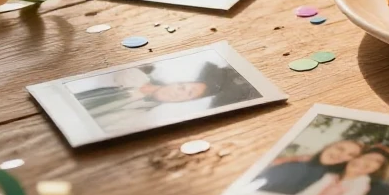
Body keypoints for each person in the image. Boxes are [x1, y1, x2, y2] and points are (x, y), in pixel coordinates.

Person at [72, 61, 254, 131]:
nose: (178, 92)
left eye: (188, 95)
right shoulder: (138, 76)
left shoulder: (146, 113)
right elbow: (121, 73)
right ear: (175, 82)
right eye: (182, 87)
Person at [253, 139, 364, 195]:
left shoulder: (327, 178)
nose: (342, 155)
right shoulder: (297, 167)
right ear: (328, 146)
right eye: (340, 148)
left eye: (351, 155)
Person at [302, 146, 389, 195]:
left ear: (377, 170)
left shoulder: (363, 187)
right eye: (365, 157)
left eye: (376, 161)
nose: (365, 162)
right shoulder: (327, 175)